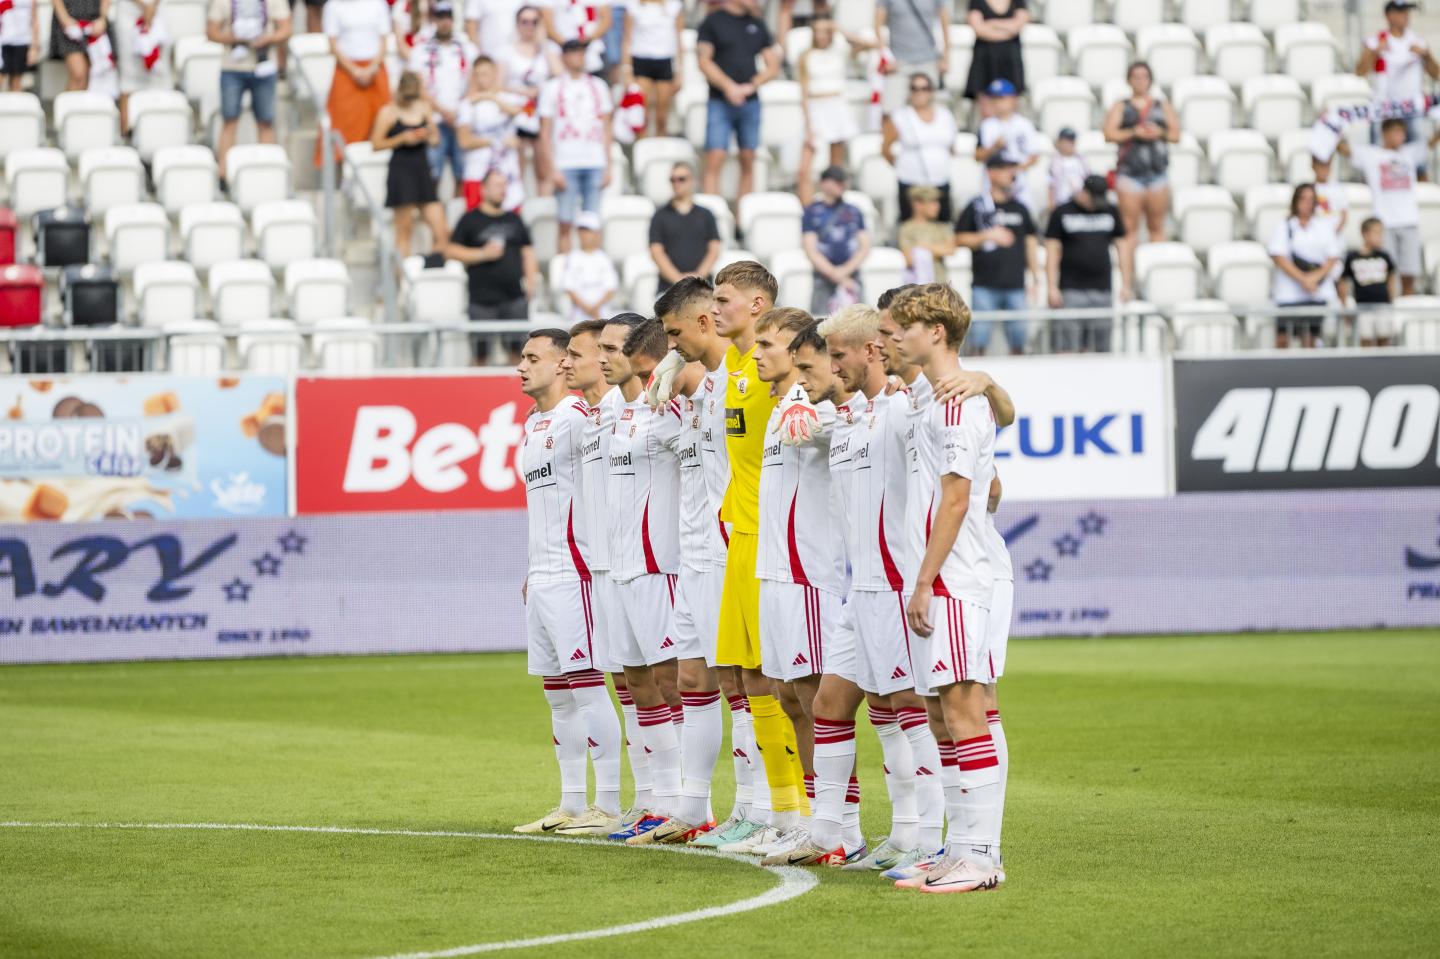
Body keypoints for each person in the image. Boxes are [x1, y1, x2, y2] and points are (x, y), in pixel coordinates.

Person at [789, 302, 947, 873]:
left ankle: (925, 838)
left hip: (898, 588)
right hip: (862, 592)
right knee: (834, 703)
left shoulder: (905, 411)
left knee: (906, 706)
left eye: (837, 356)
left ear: (870, 351)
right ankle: (833, 833)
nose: (831, 367)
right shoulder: (854, 416)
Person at [891, 282, 1002, 895]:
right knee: (939, 715)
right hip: (938, 580)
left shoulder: (960, 404)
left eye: (905, 327)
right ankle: (958, 849)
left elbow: (959, 498)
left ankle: (981, 857)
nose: (896, 337)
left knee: (963, 712)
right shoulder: (932, 401)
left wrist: (926, 581)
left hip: (954, 581)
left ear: (935, 331)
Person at [707, 261, 811, 856]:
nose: (716, 308)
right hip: (739, 537)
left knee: (780, 680)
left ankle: (804, 812)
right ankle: (781, 809)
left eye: (725, 299)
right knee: (745, 678)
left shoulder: (781, 375)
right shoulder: (738, 369)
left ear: (758, 303)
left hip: (773, 544)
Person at [637, 277, 742, 846]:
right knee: (694, 679)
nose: (671, 345)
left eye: (675, 333)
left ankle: (761, 809)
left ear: (703, 322)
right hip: (695, 555)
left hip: (730, 552)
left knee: (742, 683)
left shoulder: (739, 382)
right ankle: (695, 807)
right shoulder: (701, 390)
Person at [513, 327, 621, 836]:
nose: (521, 366)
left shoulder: (578, 418)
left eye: (533, 357)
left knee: (587, 686)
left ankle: (609, 803)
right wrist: (531, 569)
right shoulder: (533, 424)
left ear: (561, 365)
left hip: (576, 572)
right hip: (543, 575)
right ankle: (571, 803)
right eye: (521, 357)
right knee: (557, 692)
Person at [562, 317, 653, 837]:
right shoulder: (596, 416)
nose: (587, 360)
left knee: (665, 684)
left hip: (639, 565)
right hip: (604, 566)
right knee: (627, 684)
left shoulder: (628, 409)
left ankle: (670, 799)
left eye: (597, 350)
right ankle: (641, 802)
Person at [596, 313, 684, 841]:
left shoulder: (665, 408)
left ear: (639, 353)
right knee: (635, 684)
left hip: (659, 565)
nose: (602, 355)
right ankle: (652, 801)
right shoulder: (618, 413)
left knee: (671, 683)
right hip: (623, 567)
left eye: (610, 348)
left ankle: (681, 801)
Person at [444, 168, 539, 360]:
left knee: (518, 355)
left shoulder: (514, 219)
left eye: (504, 185)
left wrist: (531, 281)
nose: (502, 190)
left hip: (514, 297)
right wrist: (482, 254)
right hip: (481, 300)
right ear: (483, 189)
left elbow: (527, 252)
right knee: (480, 355)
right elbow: (451, 251)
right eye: (497, 185)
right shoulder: (470, 219)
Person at [697, 0, 782, 204]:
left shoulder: (756, 24)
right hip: (719, 100)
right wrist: (728, 87)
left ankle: (742, 220)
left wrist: (751, 85)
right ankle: (713, 213)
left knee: (748, 158)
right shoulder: (712, 21)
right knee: (715, 157)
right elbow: (703, 61)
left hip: (750, 101)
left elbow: (773, 64)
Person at [955, 156, 1037, 355]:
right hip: (985, 285)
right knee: (979, 342)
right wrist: (987, 236)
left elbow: (1031, 243)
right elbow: (959, 238)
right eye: (1005, 168)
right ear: (991, 172)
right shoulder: (977, 205)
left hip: (1016, 284)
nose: (1012, 173)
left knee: (1019, 343)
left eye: (1013, 168)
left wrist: (1035, 277)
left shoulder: (1020, 207)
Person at [538, 38, 614, 253]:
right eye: (573, 53)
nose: (578, 57)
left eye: (581, 52)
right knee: (565, 222)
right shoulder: (552, 88)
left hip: (594, 160)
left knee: (593, 223)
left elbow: (607, 129)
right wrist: (551, 168)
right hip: (566, 161)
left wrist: (609, 165)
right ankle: (565, 269)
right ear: (564, 57)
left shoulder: (598, 86)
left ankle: (592, 272)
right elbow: (544, 132)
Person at [1043, 174, 1132, 353]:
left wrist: (1126, 283)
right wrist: (1052, 287)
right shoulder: (1062, 211)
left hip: (1102, 289)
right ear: (1084, 192)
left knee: (1102, 348)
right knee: (1068, 347)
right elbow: (1052, 251)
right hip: (1071, 290)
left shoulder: (1110, 210)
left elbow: (1122, 248)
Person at [372, 71, 449, 264]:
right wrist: (401, 139)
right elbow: (376, 144)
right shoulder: (388, 112)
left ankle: (432, 269)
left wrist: (427, 135)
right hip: (401, 171)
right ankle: (403, 283)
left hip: (422, 170)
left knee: (441, 230)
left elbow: (436, 139)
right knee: (404, 231)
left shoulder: (423, 107)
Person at [208, 0, 290, 181]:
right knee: (229, 120)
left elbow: (285, 29)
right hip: (232, 68)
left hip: (263, 66)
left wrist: (267, 38)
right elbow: (211, 31)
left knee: (266, 121)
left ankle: (267, 174)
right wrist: (233, 38)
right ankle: (224, 175)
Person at [1356, 0, 1438, 177]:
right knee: (1380, 161)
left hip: (1412, 109)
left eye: (1406, 12)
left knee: (1418, 161)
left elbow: (1437, 74)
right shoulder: (1376, 41)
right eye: (1401, 11)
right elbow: (1359, 71)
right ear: (1389, 15)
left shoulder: (1417, 41)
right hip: (1385, 110)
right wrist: (1374, 52)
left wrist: (1427, 56)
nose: (1405, 16)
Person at [1103, 61, 1180, 243]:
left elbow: (1175, 135)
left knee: (1157, 226)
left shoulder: (1162, 105)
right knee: (1129, 228)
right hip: (1130, 174)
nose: (1140, 81)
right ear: (1129, 80)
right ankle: (1128, 270)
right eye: (1136, 77)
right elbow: (1108, 134)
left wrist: (1159, 132)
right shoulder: (1122, 106)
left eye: (1144, 77)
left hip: (1157, 173)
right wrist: (1133, 132)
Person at [1348, 119, 1423, 295]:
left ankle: (1407, 309)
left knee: (1409, 272)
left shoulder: (1409, 153)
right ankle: (1393, 307)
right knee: (1387, 271)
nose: (1400, 136)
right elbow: (1343, 149)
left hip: (1409, 220)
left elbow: (1433, 141)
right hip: (1384, 222)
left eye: (1402, 132)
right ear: (1385, 133)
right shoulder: (1371, 154)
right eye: (1396, 132)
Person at [409, 2, 476, 188]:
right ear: (434, 20)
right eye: (440, 18)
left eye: (448, 18)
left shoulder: (467, 49)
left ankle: (458, 214)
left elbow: (474, 82)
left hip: (460, 120)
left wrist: (458, 111)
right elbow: (418, 86)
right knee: (432, 173)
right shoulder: (421, 50)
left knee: (461, 173)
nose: (445, 22)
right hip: (434, 119)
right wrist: (443, 111)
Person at [1267, 183, 1341, 349]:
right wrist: (1303, 279)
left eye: (1311, 199)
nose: (1307, 203)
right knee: (1282, 338)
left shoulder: (1323, 226)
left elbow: (1332, 257)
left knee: (1310, 339)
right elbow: (1279, 257)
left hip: (1315, 294)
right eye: (1303, 198)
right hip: (1289, 295)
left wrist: (1313, 278)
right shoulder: (1285, 226)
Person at [320, 0, 394, 165]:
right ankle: (346, 171)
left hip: (375, 71)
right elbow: (332, 44)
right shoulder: (333, 6)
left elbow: (383, 40)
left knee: (381, 123)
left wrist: (372, 68)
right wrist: (354, 71)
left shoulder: (377, 4)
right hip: (347, 73)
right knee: (346, 126)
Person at [883, 65, 956, 224]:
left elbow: (951, 147)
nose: (919, 92)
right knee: (912, 227)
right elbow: (886, 149)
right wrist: (904, 166)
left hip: (940, 181)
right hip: (911, 183)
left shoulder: (945, 115)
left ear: (931, 91)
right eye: (915, 88)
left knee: (941, 226)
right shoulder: (900, 116)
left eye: (924, 88)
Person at [501, 6, 560, 192]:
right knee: (516, 164)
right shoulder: (506, 51)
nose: (529, 26)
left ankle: (544, 208)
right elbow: (498, 85)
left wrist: (543, 43)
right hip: (517, 112)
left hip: (541, 112)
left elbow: (560, 76)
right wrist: (523, 91)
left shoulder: (548, 50)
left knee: (543, 165)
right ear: (517, 24)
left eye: (534, 21)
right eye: (524, 21)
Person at [457, 56, 526, 211]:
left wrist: (489, 97)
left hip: (507, 175)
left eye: (485, 74)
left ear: (495, 73)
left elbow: (517, 111)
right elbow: (464, 141)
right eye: (477, 75)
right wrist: (498, 141)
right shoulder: (467, 104)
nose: (481, 79)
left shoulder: (509, 98)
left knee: (510, 228)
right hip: (477, 173)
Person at [802, 166, 870, 316]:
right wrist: (837, 275)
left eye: (842, 181)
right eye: (837, 181)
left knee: (860, 323)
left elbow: (864, 246)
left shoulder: (854, 211)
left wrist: (845, 272)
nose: (841, 185)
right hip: (823, 277)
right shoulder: (811, 212)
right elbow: (810, 249)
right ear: (824, 183)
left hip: (852, 275)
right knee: (821, 324)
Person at [798, 10, 857, 175]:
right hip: (816, 107)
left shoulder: (840, 51)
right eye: (817, 31)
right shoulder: (806, 56)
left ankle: (834, 199)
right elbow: (803, 93)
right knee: (805, 168)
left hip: (837, 105)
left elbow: (870, 44)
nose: (821, 35)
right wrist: (808, 124)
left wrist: (839, 29)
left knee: (836, 166)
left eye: (825, 31)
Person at [874, 0, 948, 132]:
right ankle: (888, 149)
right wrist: (886, 57)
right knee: (890, 111)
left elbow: (945, 23)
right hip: (898, 62)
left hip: (928, 60)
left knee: (933, 112)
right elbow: (877, 25)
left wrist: (946, 56)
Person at [649, 162, 722, 294]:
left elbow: (714, 249)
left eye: (681, 179)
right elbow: (656, 252)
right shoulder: (659, 216)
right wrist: (678, 279)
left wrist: (698, 277)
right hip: (669, 290)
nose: (676, 183)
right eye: (672, 180)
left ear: (692, 181)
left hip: (703, 287)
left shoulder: (706, 214)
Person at [620, 0, 682, 138]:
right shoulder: (634, 6)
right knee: (642, 113)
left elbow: (679, 40)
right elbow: (627, 39)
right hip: (641, 60)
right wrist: (627, 69)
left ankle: (661, 148)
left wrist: (679, 72)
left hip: (664, 60)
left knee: (662, 115)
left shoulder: (673, 6)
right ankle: (642, 149)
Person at [975, 78, 1038, 213]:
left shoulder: (1025, 125)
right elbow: (977, 156)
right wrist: (994, 148)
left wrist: (1012, 171)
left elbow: (1034, 156)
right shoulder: (987, 125)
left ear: (1013, 99)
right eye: (994, 99)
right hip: (991, 186)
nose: (997, 103)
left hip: (1019, 185)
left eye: (1001, 98)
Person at [115, 0, 173, 132]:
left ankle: (161, 129)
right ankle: (127, 130)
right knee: (129, 75)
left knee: (160, 71)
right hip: (128, 11)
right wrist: (143, 5)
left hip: (157, 11)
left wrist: (152, 5)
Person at [1342, 216, 1400, 347]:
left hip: (1383, 305)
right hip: (1362, 307)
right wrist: (1345, 304)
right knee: (1365, 339)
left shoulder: (1384, 256)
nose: (1380, 237)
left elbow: (1391, 277)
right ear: (1365, 234)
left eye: (1381, 233)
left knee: (1384, 338)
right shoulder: (1352, 257)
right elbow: (1343, 280)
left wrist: (1392, 299)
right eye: (1377, 233)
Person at [964, 0, 1027, 110]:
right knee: (986, 108)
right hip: (985, 60)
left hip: (1010, 60)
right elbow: (978, 29)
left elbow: (1017, 26)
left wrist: (991, 23)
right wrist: (1008, 27)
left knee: (1009, 108)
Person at [559, 211, 618, 324]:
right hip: (577, 318)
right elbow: (569, 288)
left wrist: (595, 309)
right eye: (581, 230)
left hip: (602, 315)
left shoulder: (604, 258)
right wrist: (587, 309)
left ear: (597, 233)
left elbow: (610, 289)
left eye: (588, 231)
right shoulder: (572, 257)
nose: (584, 234)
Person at [898, 184, 955, 285]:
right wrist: (937, 250)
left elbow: (950, 249)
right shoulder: (906, 229)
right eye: (932, 202)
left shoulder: (941, 227)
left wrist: (923, 247)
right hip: (917, 287)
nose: (937, 206)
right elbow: (910, 259)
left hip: (940, 285)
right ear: (918, 204)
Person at [50, 0, 110, 91]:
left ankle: (82, 104)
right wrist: (64, 19)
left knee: (92, 77)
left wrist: (103, 18)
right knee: (78, 75)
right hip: (70, 21)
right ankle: (68, 105)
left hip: (94, 21)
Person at [541, 0, 612, 76]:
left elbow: (606, 20)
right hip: (561, 46)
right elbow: (548, 24)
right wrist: (569, 46)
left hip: (590, 45)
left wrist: (586, 42)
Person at [1, 0, 40, 93]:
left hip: (22, 41)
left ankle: (14, 106)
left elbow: (34, 20)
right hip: (3, 42)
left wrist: (34, 47)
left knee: (16, 83)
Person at [1049, 127, 1087, 210]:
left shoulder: (1081, 159)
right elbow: (1051, 184)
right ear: (1059, 142)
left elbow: (1087, 179)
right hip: (1061, 201)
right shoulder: (1055, 161)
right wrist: (1052, 206)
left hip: (1079, 203)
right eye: (1067, 140)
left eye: (1072, 140)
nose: (1070, 143)